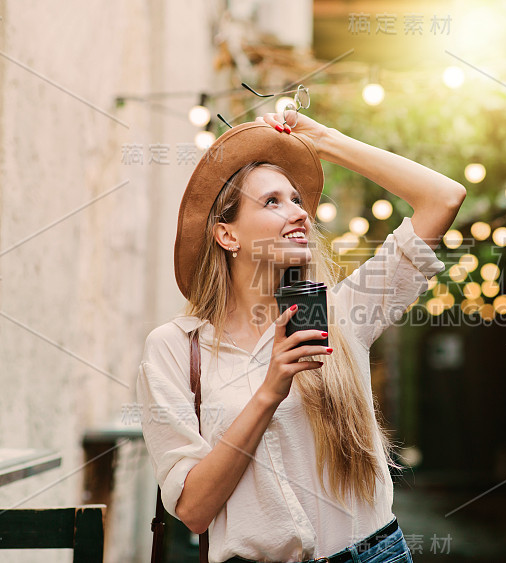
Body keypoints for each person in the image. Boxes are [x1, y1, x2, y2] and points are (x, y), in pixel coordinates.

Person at [136, 108, 466, 563]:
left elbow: (443, 197)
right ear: (225, 234)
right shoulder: (175, 348)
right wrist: (270, 391)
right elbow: (192, 509)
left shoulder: (343, 312)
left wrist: (325, 141)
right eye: (272, 202)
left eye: (297, 200)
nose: (299, 214)